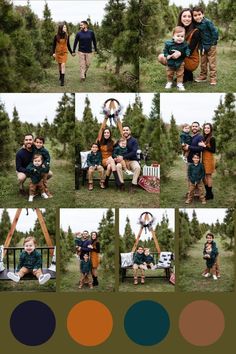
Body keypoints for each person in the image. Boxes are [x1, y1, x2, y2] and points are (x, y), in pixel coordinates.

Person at [158, 8, 201, 83]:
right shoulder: (178, 30)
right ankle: (186, 74)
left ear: (192, 18)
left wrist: (179, 53)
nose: (187, 19)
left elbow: (189, 52)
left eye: (189, 16)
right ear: (180, 18)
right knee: (161, 57)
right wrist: (169, 52)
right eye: (184, 16)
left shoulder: (196, 32)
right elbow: (172, 44)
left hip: (191, 59)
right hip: (182, 56)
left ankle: (185, 72)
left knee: (170, 56)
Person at [193, 6, 218, 85]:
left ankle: (213, 78)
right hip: (203, 46)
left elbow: (215, 31)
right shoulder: (195, 24)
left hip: (211, 45)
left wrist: (213, 42)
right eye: (195, 15)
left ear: (203, 14)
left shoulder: (207, 22)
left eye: (199, 14)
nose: (197, 17)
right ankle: (203, 76)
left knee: (211, 62)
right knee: (203, 62)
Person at [97, 115, 123, 188]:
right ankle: (117, 180)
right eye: (105, 133)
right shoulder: (100, 141)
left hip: (111, 161)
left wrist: (118, 119)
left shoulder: (112, 142)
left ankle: (106, 182)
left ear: (110, 134)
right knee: (110, 160)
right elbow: (101, 129)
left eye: (108, 133)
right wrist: (105, 119)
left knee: (109, 167)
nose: (106, 134)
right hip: (103, 160)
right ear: (103, 133)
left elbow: (122, 138)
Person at [163, 26, 190, 91]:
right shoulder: (168, 44)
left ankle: (179, 84)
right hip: (170, 62)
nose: (180, 38)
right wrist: (167, 55)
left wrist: (187, 53)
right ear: (173, 36)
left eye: (182, 36)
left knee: (180, 73)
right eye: (178, 36)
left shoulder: (185, 45)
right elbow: (165, 51)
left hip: (180, 62)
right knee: (169, 73)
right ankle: (169, 82)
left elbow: (187, 50)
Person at [116, 126, 141, 192]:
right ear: (122, 132)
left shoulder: (134, 140)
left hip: (132, 160)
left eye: (127, 130)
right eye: (124, 130)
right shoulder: (120, 140)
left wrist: (123, 156)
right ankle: (121, 185)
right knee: (118, 166)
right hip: (122, 161)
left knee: (137, 167)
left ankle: (133, 185)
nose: (125, 131)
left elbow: (134, 152)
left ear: (130, 131)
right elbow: (115, 149)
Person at [198, 123, 216, 200]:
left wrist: (204, 146)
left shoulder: (212, 138)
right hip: (204, 159)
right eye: (205, 128)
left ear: (210, 129)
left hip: (209, 160)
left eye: (208, 128)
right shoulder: (204, 138)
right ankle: (210, 193)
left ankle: (209, 194)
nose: (206, 129)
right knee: (203, 177)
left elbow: (213, 150)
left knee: (208, 176)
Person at [52, 22, 73, 86]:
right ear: (61, 28)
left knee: (63, 65)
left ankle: (62, 81)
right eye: (64, 27)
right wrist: (53, 53)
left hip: (64, 52)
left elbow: (68, 45)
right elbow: (54, 45)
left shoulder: (67, 35)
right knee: (59, 65)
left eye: (66, 27)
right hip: (58, 52)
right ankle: (61, 75)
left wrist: (71, 52)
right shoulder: (56, 36)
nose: (65, 28)